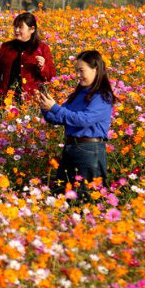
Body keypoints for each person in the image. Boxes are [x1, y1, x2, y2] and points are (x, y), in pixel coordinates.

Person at [36, 50, 116, 199]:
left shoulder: (103, 96)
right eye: (76, 70)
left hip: (90, 151)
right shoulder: (79, 94)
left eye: (81, 70)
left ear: (95, 69)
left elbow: (84, 120)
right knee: (62, 194)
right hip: (72, 149)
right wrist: (45, 106)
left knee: (86, 197)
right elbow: (57, 118)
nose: (78, 75)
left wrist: (54, 108)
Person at [0, 12, 55, 102]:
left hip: (31, 99)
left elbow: (51, 76)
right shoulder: (6, 47)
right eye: (15, 26)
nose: (16, 30)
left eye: (20, 27)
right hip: (7, 98)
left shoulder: (42, 48)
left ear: (32, 29)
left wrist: (43, 66)